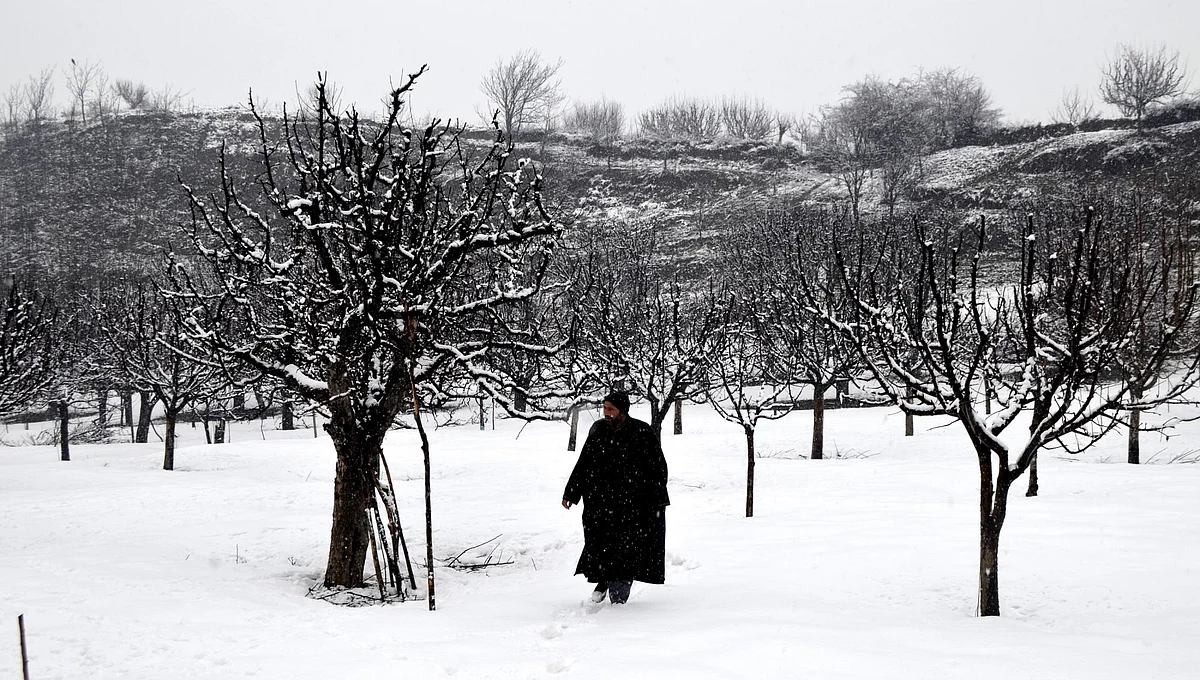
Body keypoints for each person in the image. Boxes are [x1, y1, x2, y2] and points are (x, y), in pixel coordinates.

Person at [561, 391, 669, 604]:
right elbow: (585, 464)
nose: (606, 413)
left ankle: (619, 597)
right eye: (605, 408)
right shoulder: (598, 430)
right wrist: (571, 493)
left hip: (631, 504)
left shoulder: (641, 431)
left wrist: (653, 496)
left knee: (626, 547)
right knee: (601, 542)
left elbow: (658, 467)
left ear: (622, 410)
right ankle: (604, 579)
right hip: (600, 501)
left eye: (611, 409)